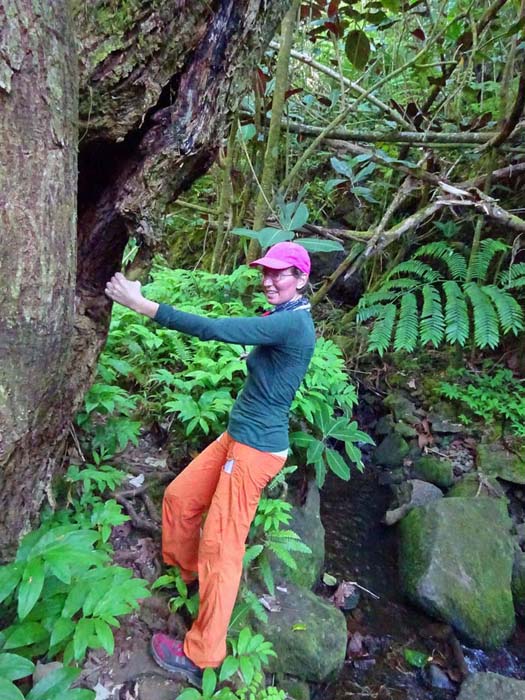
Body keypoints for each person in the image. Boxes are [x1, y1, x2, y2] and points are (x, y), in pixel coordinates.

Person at [104, 241, 316, 687]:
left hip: (256, 449)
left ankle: (202, 653)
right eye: (265, 272)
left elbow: (215, 329)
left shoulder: (294, 324)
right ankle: (189, 583)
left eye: (279, 273)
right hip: (236, 437)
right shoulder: (280, 318)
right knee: (179, 498)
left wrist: (143, 305)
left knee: (222, 544)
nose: (268, 280)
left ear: (301, 278)